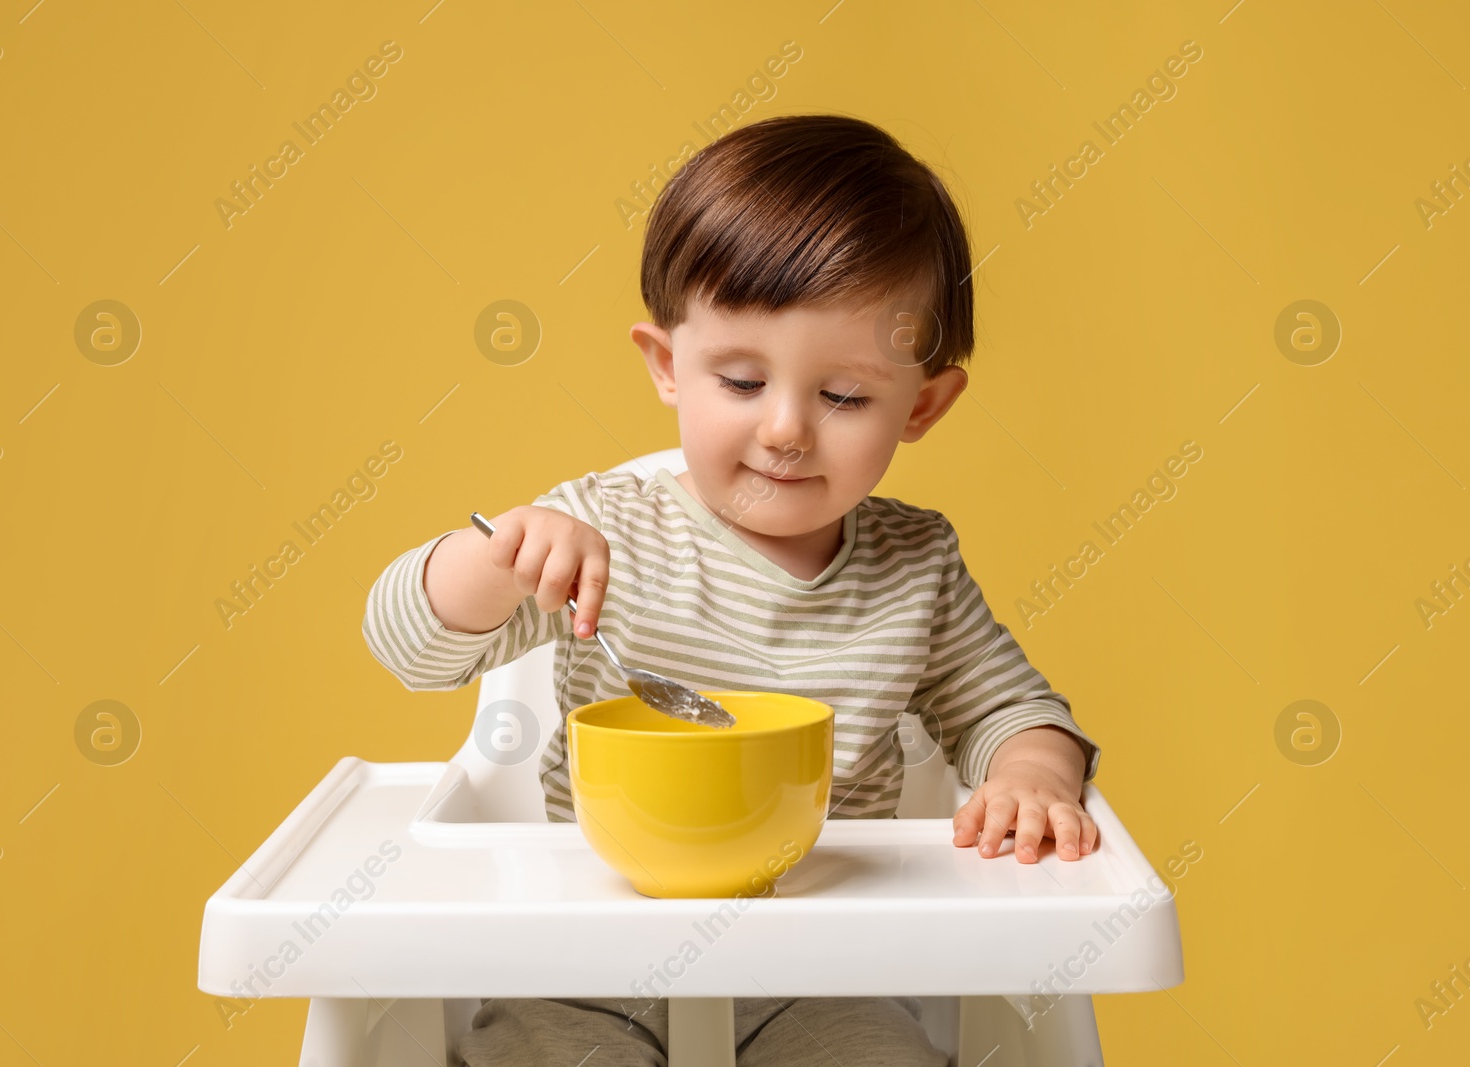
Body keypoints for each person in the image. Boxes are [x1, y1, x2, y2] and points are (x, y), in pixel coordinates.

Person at [362, 112, 1103, 1067]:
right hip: (586, 962)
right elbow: (409, 647)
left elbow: (1013, 706)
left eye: (844, 397)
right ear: (670, 366)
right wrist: (496, 559)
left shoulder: (915, 568)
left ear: (921, 404)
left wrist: (1032, 780)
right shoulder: (603, 531)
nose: (787, 429)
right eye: (743, 380)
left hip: (816, 970)